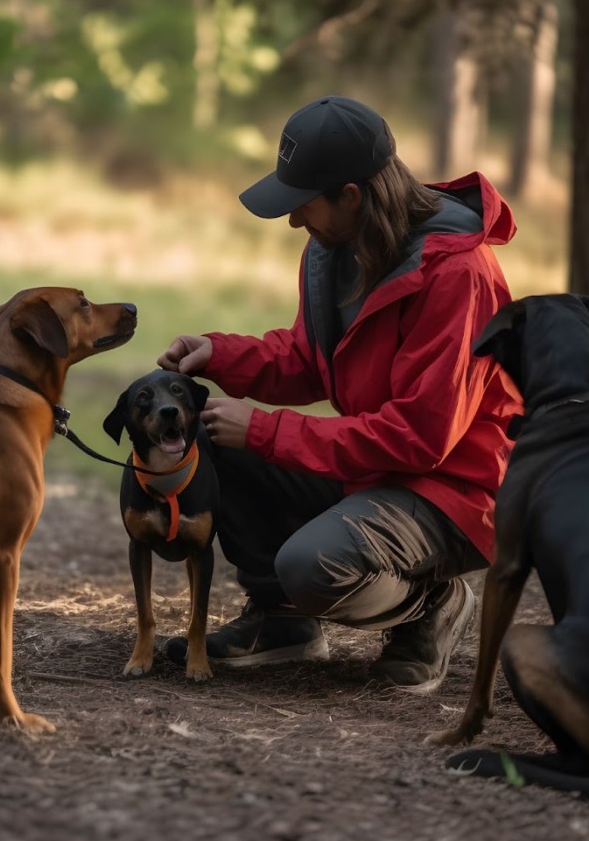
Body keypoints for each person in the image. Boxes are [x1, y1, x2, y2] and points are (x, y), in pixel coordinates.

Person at [158, 95, 521, 693]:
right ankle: (283, 623)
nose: (295, 221)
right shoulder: (334, 250)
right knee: (210, 433)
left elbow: (421, 436)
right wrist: (220, 355)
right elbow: (310, 359)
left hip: (457, 493)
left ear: (351, 195)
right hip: (383, 471)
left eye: (302, 205)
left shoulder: (460, 275)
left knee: (311, 564)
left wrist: (267, 431)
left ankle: (432, 602)